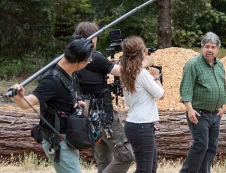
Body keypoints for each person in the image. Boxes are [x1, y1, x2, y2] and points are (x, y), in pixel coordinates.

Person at [73, 22, 152, 173]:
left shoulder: (74, 58)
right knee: (126, 156)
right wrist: (144, 63)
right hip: (104, 115)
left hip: (88, 113)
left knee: (104, 160)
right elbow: (126, 73)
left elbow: (93, 72)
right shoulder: (95, 58)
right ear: (92, 39)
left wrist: (105, 65)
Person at [11, 37, 94, 173]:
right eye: (88, 60)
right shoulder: (52, 80)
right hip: (58, 142)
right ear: (80, 63)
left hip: (68, 137)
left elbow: (59, 97)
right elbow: (26, 104)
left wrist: (74, 103)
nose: (88, 63)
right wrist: (18, 96)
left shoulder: (67, 71)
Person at [179, 32, 226, 173]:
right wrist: (189, 109)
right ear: (202, 47)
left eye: (213, 47)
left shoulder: (220, 65)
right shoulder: (193, 64)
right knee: (201, 145)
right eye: (207, 46)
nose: (210, 50)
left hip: (215, 114)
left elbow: (223, 86)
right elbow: (186, 88)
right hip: (199, 113)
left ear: (218, 49)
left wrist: (224, 105)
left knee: (211, 147)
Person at [120, 36, 164, 173]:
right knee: (145, 169)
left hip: (135, 124)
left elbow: (127, 101)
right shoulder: (143, 74)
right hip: (142, 125)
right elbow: (161, 94)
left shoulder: (126, 73)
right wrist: (156, 77)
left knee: (151, 167)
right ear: (141, 52)